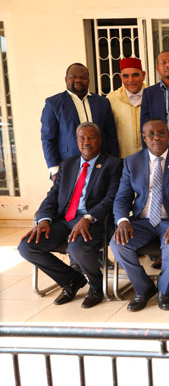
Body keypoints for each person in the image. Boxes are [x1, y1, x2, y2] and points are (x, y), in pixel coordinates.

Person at [19, 123, 122, 308]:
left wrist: (88, 218)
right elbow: (52, 196)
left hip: (94, 221)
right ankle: (71, 280)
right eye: (82, 138)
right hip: (64, 219)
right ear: (76, 141)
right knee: (27, 247)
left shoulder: (113, 164)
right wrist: (44, 220)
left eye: (91, 138)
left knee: (76, 248)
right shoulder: (67, 165)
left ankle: (96, 287)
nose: (86, 142)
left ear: (99, 140)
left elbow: (111, 198)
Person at [110, 119, 169, 312]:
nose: (156, 137)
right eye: (151, 134)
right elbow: (122, 198)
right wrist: (123, 221)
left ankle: (164, 290)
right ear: (144, 137)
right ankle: (144, 288)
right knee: (117, 244)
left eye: (161, 133)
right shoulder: (131, 162)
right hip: (141, 221)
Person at [41, 63, 119, 180]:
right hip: (68, 166)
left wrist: (114, 163)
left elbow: (111, 135)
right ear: (66, 79)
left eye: (83, 77)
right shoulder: (54, 104)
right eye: (73, 77)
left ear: (88, 80)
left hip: (101, 165)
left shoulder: (102, 103)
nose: (78, 80)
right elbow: (48, 138)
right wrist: (54, 170)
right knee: (73, 198)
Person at [107, 57, 148, 158]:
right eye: (126, 76)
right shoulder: (111, 99)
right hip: (122, 160)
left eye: (135, 75)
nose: (131, 80)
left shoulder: (154, 95)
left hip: (150, 159)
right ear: (121, 77)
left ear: (143, 75)